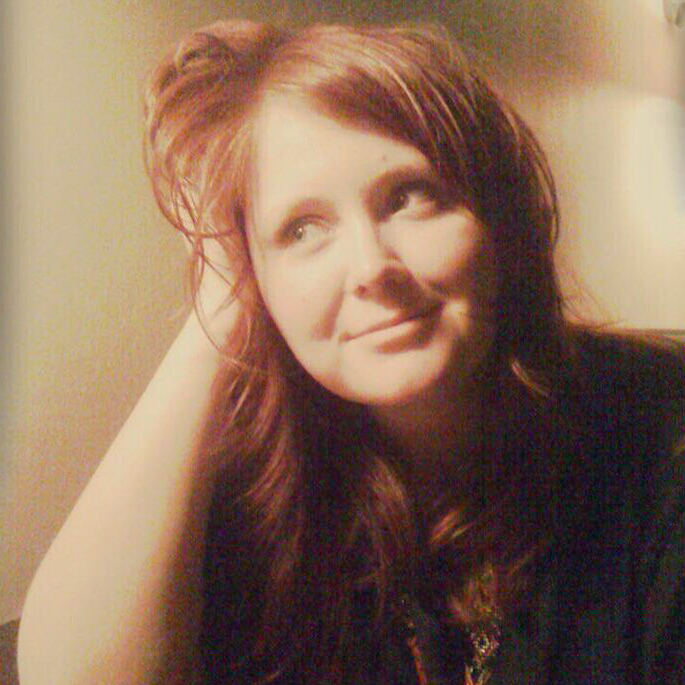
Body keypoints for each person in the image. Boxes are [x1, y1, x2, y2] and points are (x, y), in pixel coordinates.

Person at [17, 20, 685, 685]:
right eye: (301, 229)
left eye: (409, 196)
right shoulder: (256, 495)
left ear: (497, 219)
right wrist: (219, 300)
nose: (370, 268)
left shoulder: (657, 442)